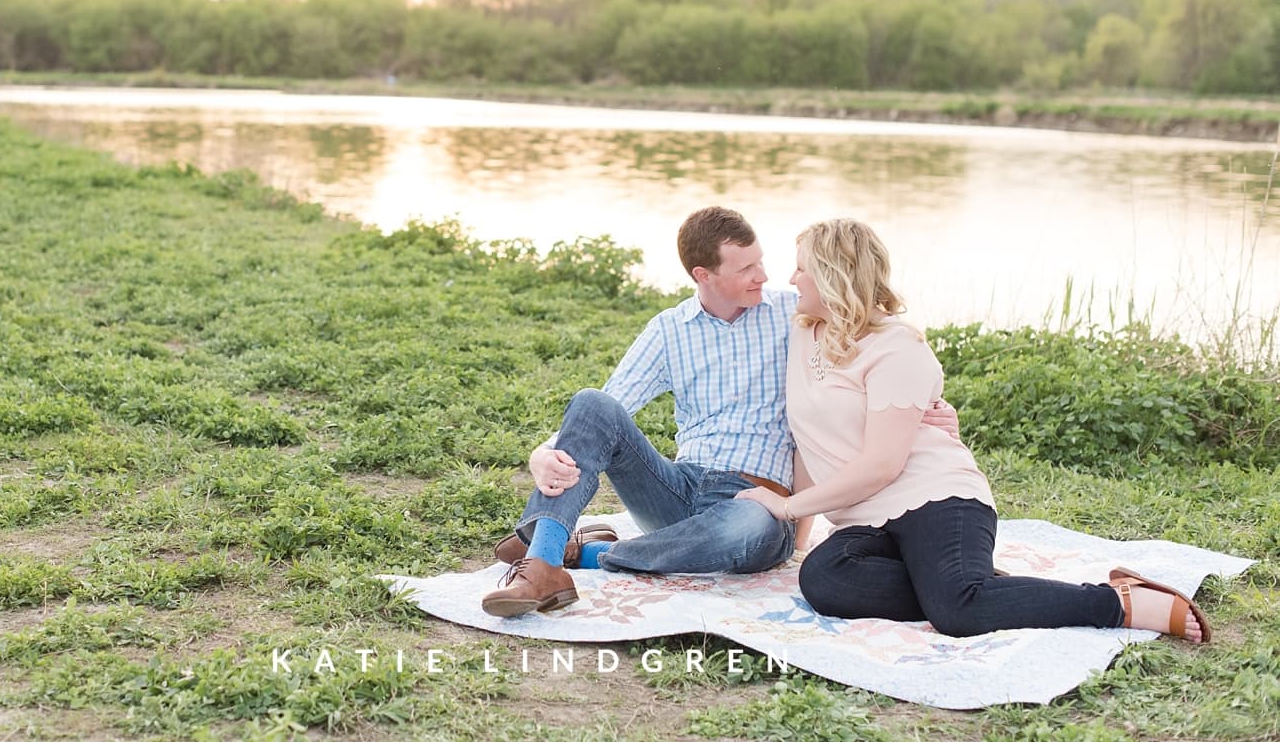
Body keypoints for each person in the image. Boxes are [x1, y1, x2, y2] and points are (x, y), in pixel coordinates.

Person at [736, 218, 1211, 643]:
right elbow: (810, 439)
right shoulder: (803, 330)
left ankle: (1120, 603)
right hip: (865, 521)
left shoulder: (897, 347)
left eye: (802, 269)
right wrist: (799, 541)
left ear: (836, 276)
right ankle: (977, 586)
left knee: (957, 610)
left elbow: (882, 465)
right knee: (826, 578)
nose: (790, 279)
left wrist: (785, 507)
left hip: (935, 498)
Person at [482, 206, 960, 618]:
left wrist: (929, 410)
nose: (765, 277)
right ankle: (543, 567)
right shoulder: (669, 329)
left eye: (761, 261)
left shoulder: (795, 315)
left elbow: (875, 340)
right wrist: (541, 452)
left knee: (743, 524)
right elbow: (609, 406)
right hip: (678, 486)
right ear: (703, 275)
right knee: (591, 402)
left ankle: (588, 555)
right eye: (745, 268)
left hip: (757, 502)